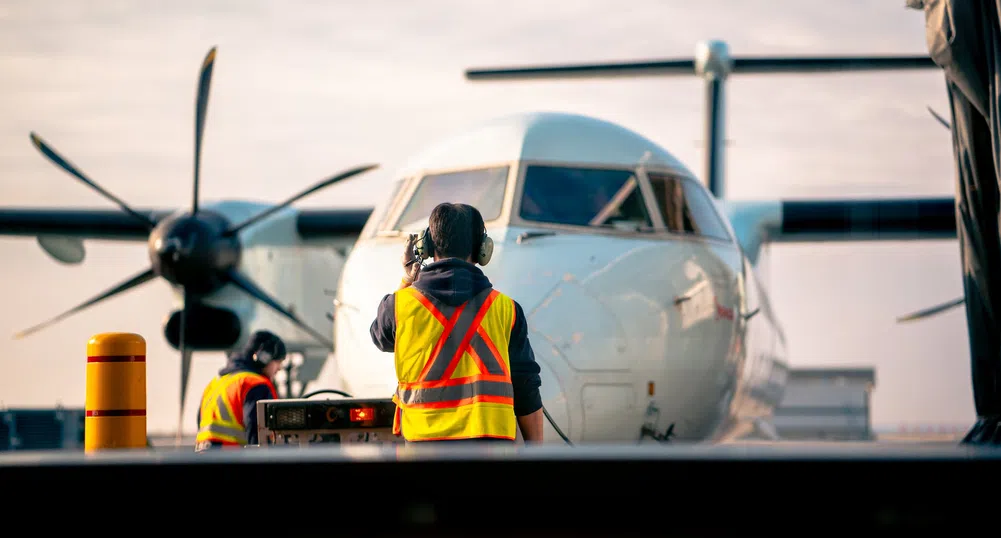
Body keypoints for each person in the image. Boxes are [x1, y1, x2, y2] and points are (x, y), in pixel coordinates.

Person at [370, 202, 545, 443]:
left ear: (427, 246)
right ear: (482, 249)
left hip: (423, 450)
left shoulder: (399, 306)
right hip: (490, 452)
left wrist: (407, 279)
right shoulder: (507, 310)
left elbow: (381, 337)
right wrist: (537, 455)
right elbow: (526, 387)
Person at [194, 330, 287, 451]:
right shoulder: (255, 384)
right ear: (264, 357)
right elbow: (257, 432)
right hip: (234, 462)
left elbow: (199, 422)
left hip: (204, 460)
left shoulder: (216, 383)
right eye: (278, 361)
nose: (279, 368)